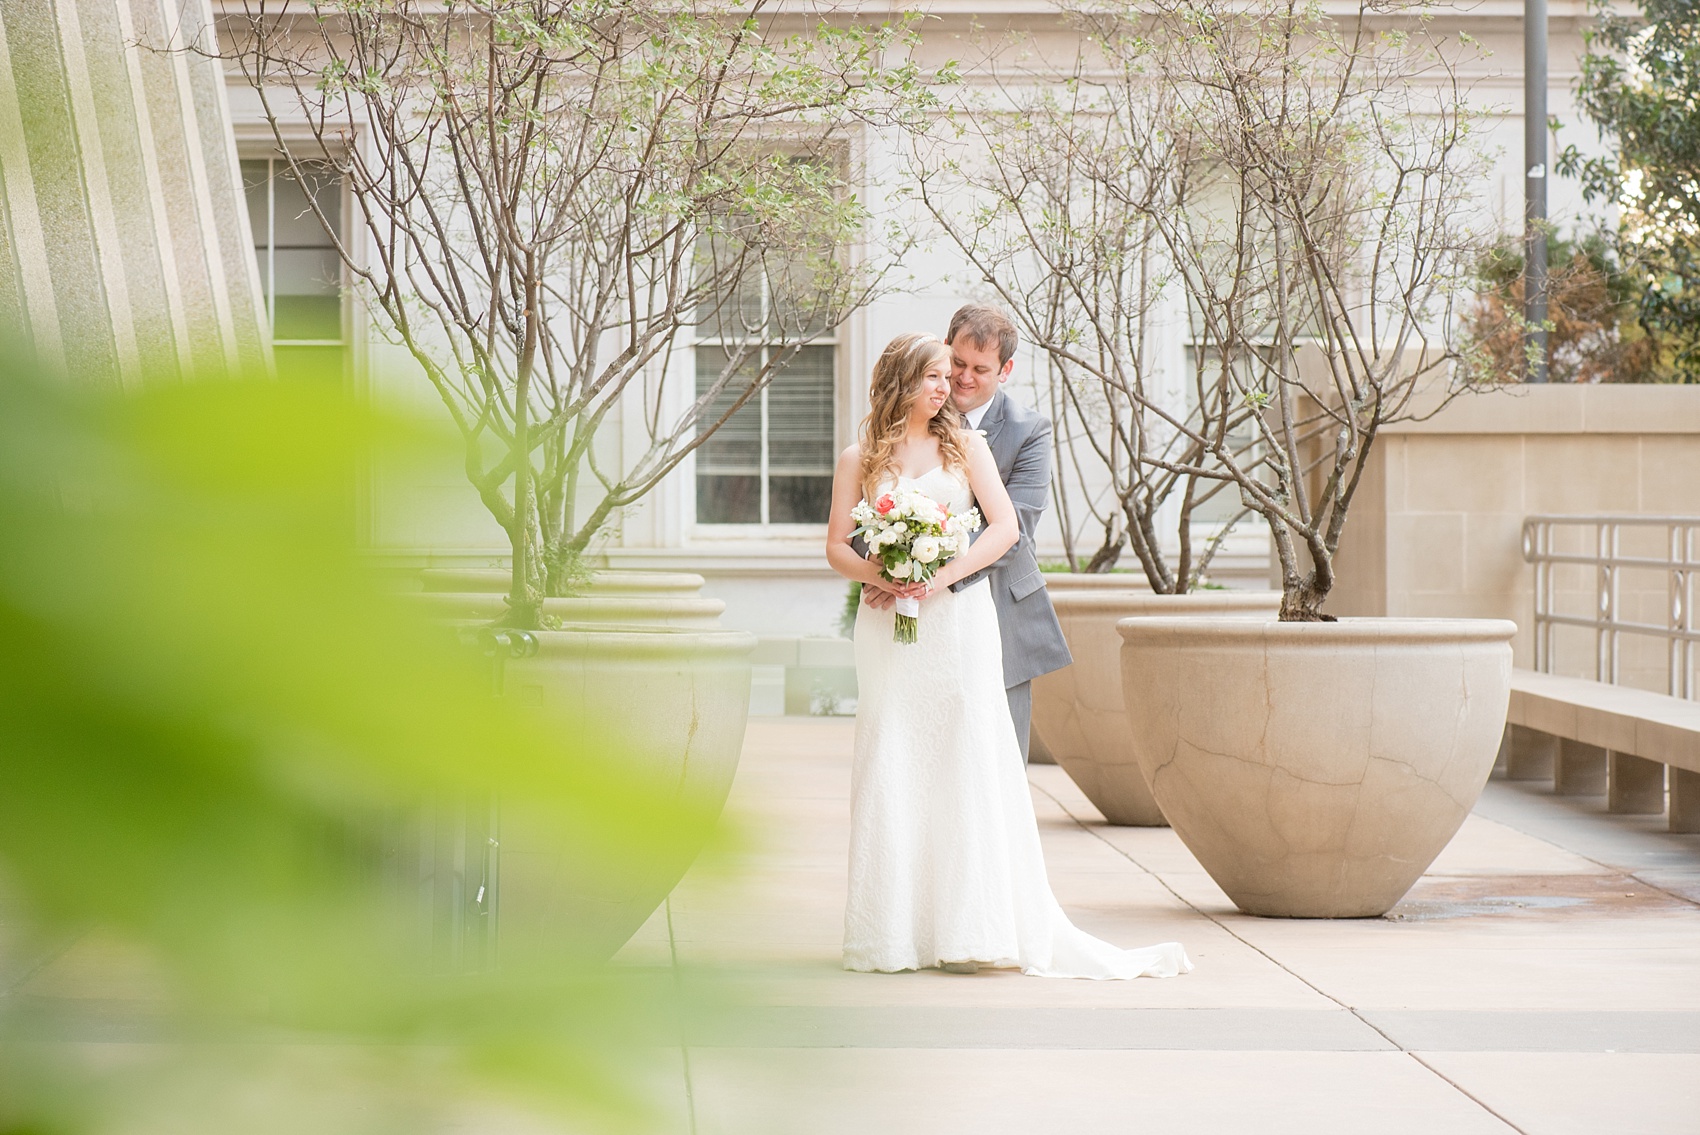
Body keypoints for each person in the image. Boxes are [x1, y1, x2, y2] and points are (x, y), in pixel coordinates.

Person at [825, 331, 1191, 979]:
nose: (946, 387)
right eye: (934, 375)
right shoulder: (859, 455)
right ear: (900, 379)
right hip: (888, 628)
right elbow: (836, 546)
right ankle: (890, 933)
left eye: (950, 376)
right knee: (891, 751)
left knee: (965, 751)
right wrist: (879, 575)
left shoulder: (965, 445)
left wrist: (938, 575)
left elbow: (1005, 527)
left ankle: (973, 927)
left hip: (959, 621)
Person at [860, 305, 1070, 763]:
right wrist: (884, 568)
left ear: (1005, 370)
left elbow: (1018, 523)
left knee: (996, 761)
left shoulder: (1028, 430)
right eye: (956, 363)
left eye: (980, 369)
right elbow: (867, 502)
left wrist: (925, 567)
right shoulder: (903, 419)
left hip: (997, 607)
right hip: (907, 606)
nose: (962, 379)